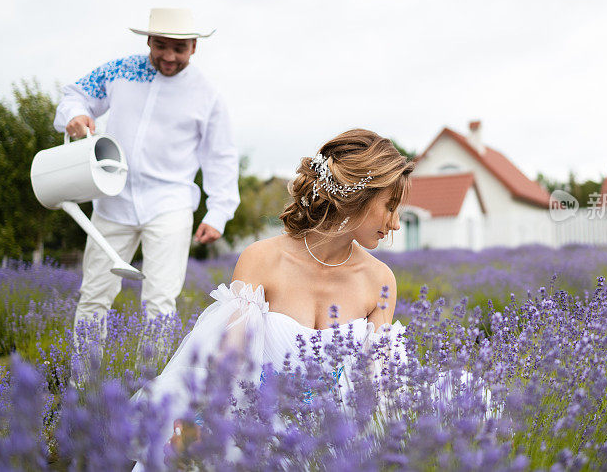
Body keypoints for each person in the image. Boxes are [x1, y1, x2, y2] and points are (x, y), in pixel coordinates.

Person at [129, 129, 414, 469]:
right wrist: (203, 424)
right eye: (390, 206)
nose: (396, 223)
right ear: (357, 196)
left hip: (331, 443)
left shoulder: (380, 280)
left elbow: (377, 388)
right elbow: (229, 363)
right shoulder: (262, 259)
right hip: (252, 430)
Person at [54, 8, 240, 332]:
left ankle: (148, 383)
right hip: (111, 198)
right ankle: (84, 382)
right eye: (160, 46)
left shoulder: (207, 95)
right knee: (93, 295)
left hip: (170, 204)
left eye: (178, 49)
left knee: (159, 302)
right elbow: (75, 95)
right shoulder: (120, 71)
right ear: (149, 41)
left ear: (193, 47)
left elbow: (221, 156)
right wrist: (75, 114)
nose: (168, 56)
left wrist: (219, 212)